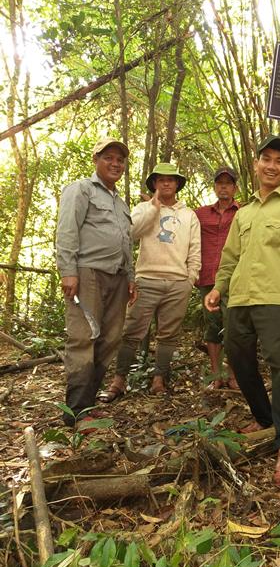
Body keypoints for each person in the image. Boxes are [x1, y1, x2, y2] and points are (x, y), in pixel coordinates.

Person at [205, 134, 280, 487]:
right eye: (266, 159)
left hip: (275, 297)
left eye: (279, 161)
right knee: (239, 361)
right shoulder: (245, 213)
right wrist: (218, 288)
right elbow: (230, 257)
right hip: (238, 299)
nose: (271, 166)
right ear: (257, 164)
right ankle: (264, 418)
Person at [56, 138, 136, 427]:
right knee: (83, 337)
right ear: (96, 159)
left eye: (120, 160)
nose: (115, 164)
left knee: (110, 339)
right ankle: (75, 412)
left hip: (117, 278)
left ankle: (87, 406)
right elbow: (67, 230)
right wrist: (68, 271)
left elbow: (126, 243)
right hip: (88, 272)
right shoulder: (81, 190)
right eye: (109, 158)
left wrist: (130, 277)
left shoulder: (120, 202)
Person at [105, 163, 201, 399]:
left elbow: (195, 250)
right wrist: (153, 209)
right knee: (132, 332)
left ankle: (159, 379)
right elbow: (131, 233)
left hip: (178, 283)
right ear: (155, 184)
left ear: (177, 184)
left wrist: (190, 279)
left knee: (168, 334)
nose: (166, 183)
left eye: (171, 179)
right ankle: (119, 381)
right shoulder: (141, 208)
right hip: (147, 279)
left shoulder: (189, 215)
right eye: (161, 180)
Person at [195, 166, 240, 390]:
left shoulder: (242, 212)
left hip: (233, 279)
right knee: (212, 326)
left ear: (234, 188)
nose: (223, 186)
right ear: (214, 187)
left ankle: (233, 374)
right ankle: (216, 375)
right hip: (207, 277)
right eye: (220, 183)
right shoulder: (199, 214)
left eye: (228, 183)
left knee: (233, 326)